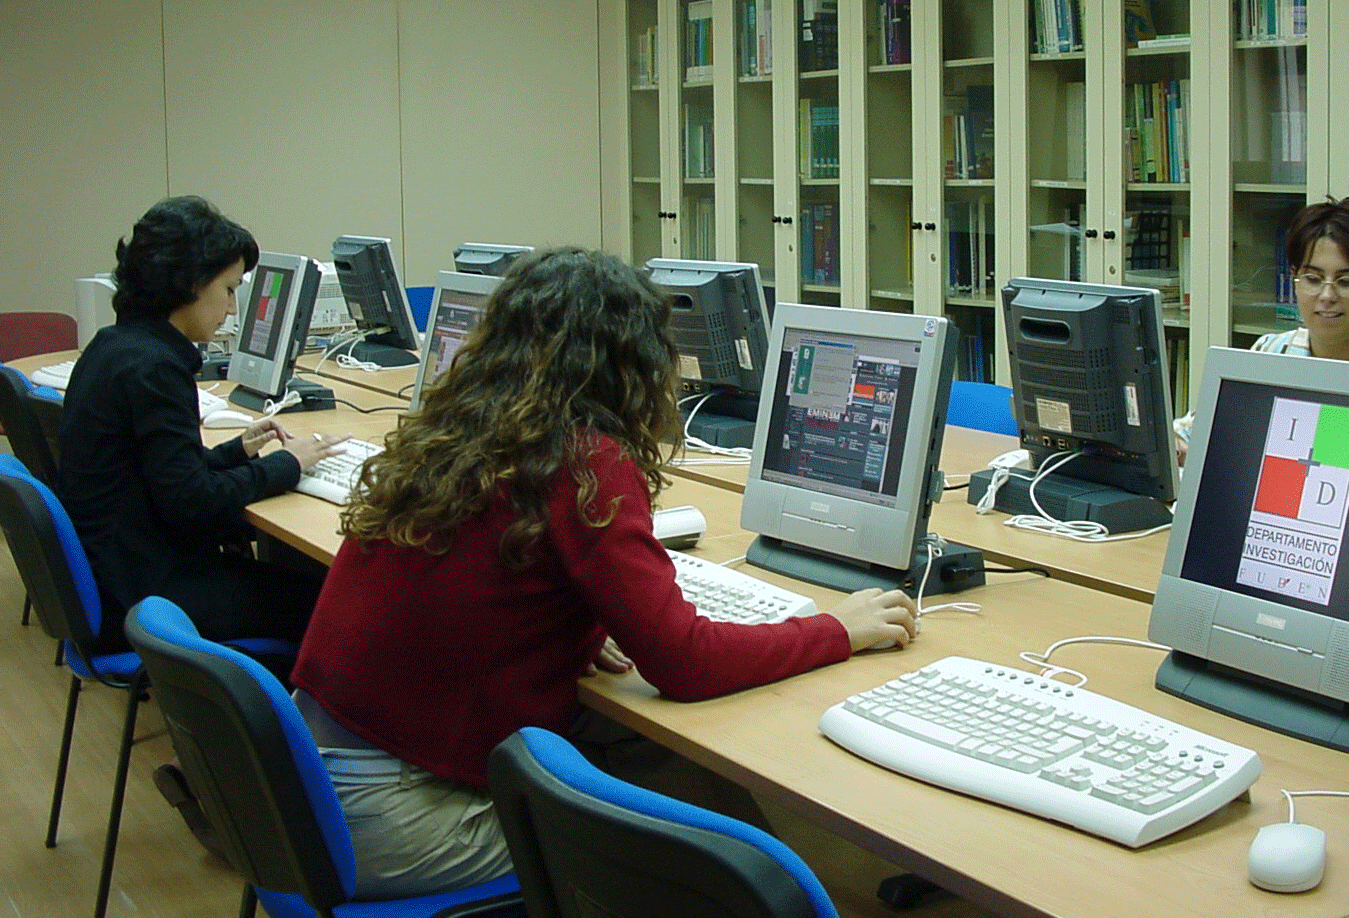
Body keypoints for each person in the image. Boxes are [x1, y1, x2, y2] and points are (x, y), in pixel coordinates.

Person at [290, 247, 918, 901]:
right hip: (395, 817)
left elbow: (494, 587)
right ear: (633, 362)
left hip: (313, 777)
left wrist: (580, 627)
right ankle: (766, 895)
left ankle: (772, 890)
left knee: (646, 748)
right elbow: (685, 665)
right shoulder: (583, 461)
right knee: (684, 856)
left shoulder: (458, 432)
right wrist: (835, 629)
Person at [56, 195, 351, 650]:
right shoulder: (153, 369)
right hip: (147, 595)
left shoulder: (116, 346)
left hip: (121, 573)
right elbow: (190, 503)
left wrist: (236, 452)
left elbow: (161, 475)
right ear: (192, 283)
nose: (232, 309)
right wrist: (286, 465)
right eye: (230, 290)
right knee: (333, 602)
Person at [1173, 195, 1349, 461]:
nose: (1327, 296)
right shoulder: (1271, 352)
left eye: (1346, 281)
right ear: (1294, 280)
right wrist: (1177, 447)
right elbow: (1190, 433)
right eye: (1312, 279)